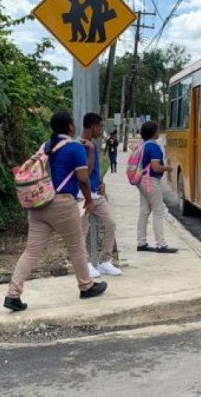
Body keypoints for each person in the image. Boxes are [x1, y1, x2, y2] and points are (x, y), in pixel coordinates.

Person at [4, 112, 107, 312]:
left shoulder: (46, 146)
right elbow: (83, 178)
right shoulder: (75, 148)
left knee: (31, 251)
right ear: (70, 127)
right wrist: (88, 200)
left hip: (39, 204)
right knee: (76, 246)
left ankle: (13, 294)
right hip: (62, 204)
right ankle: (86, 286)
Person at [79, 113, 121, 278]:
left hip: (97, 195)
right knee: (83, 230)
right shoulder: (79, 146)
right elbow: (85, 173)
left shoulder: (93, 145)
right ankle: (85, 264)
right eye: (100, 127)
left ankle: (104, 261)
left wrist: (102, 183)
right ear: (93, 127)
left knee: (111, 224)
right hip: (83, 196)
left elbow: (95, 170)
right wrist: (90, 150)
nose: (101, 130)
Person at [136, 121, 177, 253]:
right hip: (151, 181)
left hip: (141, 179)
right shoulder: (153, 147)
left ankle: (141, 242)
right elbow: (155, 167)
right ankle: (161, 244)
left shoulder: (142, 146)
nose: (158, 132)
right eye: (157, 130)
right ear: (154, 133)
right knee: (158, 211)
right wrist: (167, 168)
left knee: (144, 211)